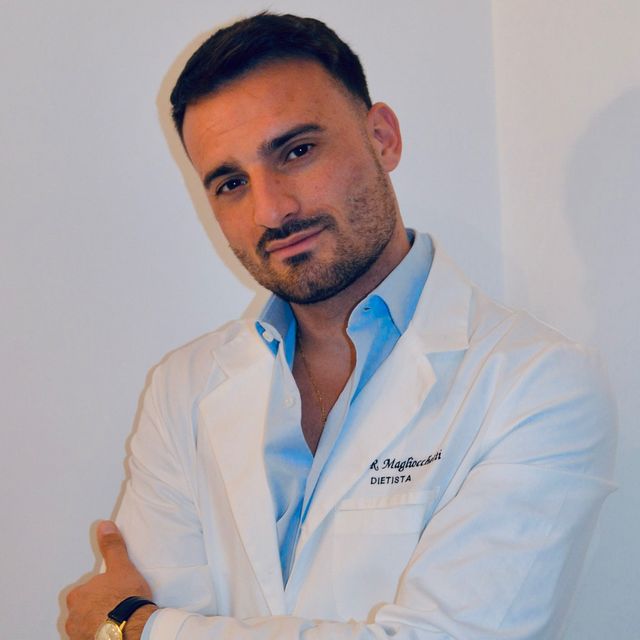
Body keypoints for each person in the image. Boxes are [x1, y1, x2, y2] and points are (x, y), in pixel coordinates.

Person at [65, 12, 616, 640]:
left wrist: (136, 629)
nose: (272, 210)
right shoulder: (181, 390)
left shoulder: (538, 384)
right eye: (231, 182)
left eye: (297, 151)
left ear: (382, 138)